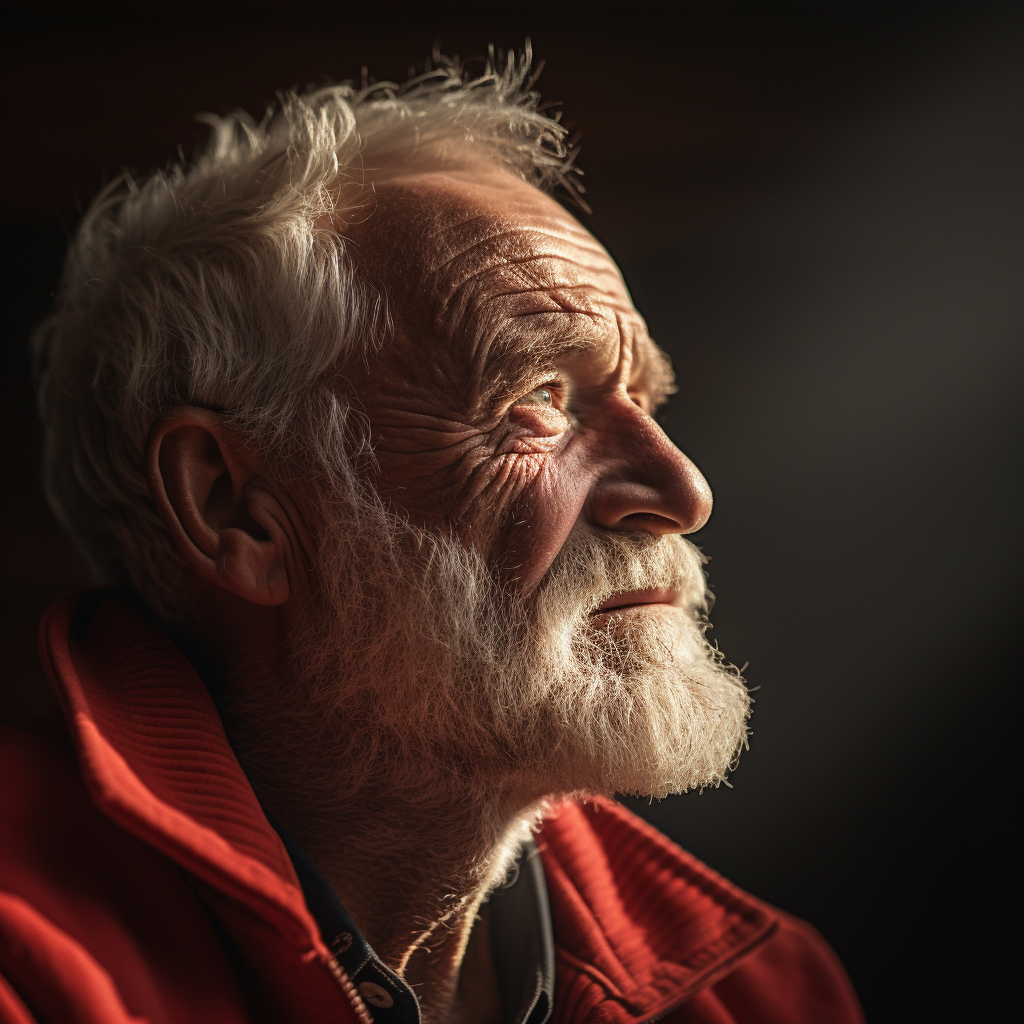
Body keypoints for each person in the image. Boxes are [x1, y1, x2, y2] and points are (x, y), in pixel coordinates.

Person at [0, 51, 863, 1024]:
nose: (682, 489)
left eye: (645, 399)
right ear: (234, 508)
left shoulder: (765, 991)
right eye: (536, 399)